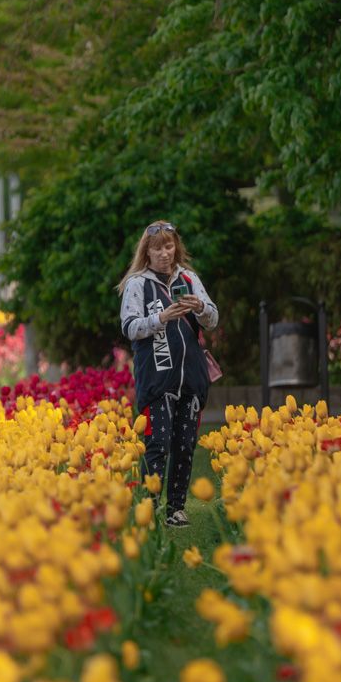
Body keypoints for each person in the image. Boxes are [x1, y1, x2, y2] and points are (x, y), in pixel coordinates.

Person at [118, 221, 219, 529]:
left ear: (176, 247)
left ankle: (176, 508)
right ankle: (149, 508)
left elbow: (213, 319)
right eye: (157, 248)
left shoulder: (189, 277)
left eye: (168, 246)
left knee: (185, 445)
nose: (164, 253)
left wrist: (199, 306)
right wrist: (160, 318)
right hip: (158, 376)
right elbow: (129, 327)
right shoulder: (138, 284)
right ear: (146, 252)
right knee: (158, 443)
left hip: (191, 376)